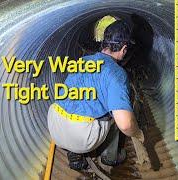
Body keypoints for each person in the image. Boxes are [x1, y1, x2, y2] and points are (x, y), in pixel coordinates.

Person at [47, 20, 144, 170]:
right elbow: (125, 124)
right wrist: (137, 133)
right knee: (121, 109)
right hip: (82, 135)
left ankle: (75, 156)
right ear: (124, 48)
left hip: (54, 126)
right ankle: (109, 157)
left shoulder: (82, 60)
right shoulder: (117, 74)